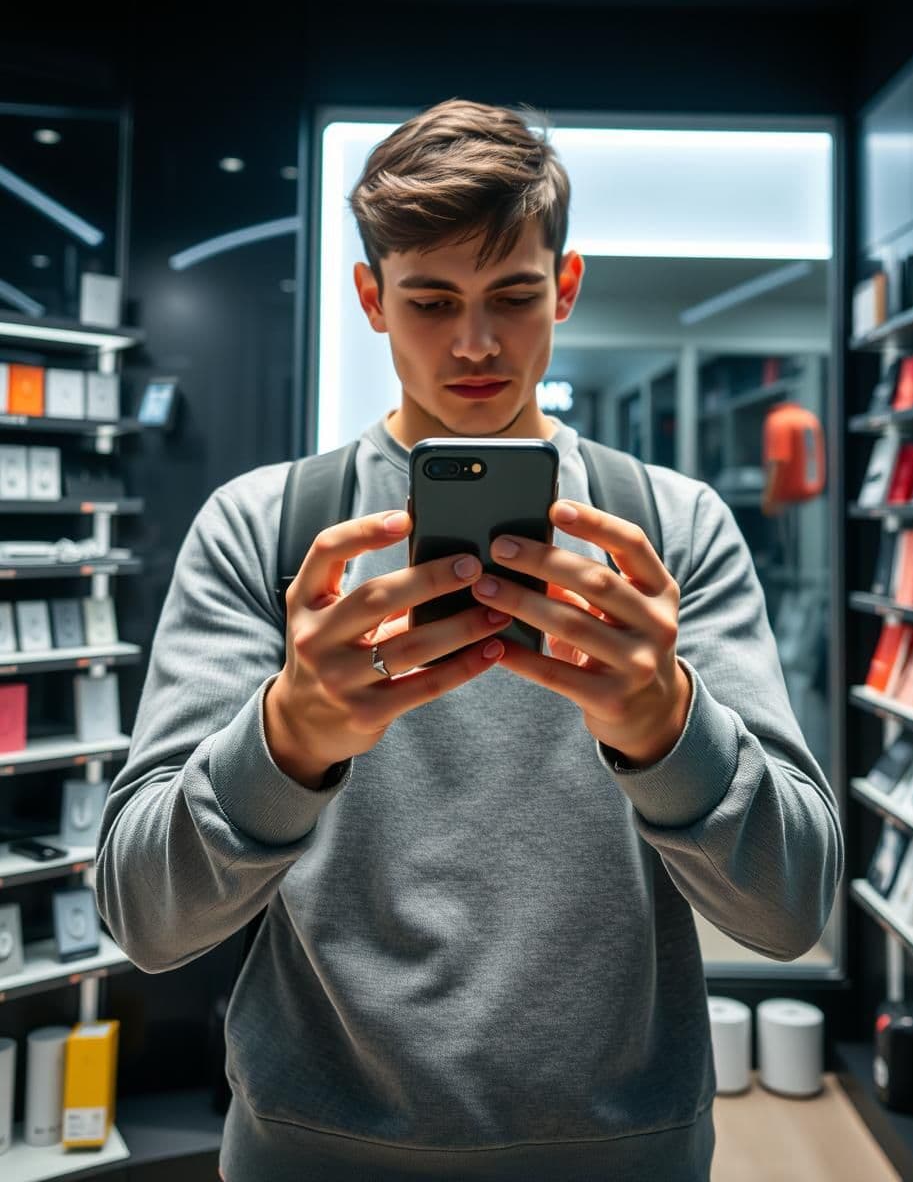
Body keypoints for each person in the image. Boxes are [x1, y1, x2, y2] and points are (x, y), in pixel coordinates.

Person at [95, 98, 843, 1182]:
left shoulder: (671, 532)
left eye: (514, 297)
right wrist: (287, 739)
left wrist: (668, 728)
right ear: (371, 299)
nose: (477, 343)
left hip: (624, 1157)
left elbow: (789, 910)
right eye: (432, 301)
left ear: (566, 288)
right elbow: (144, 918)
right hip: (313, 1156)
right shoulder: (265, 531)